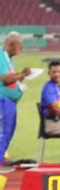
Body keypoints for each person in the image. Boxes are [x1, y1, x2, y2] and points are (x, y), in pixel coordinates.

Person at [0, 32, 31, 166]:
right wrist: (22, 74)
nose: (21, 49)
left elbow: (11, 79)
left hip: (9, 102)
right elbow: (5, 79)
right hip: (3, 100)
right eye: (20, 46)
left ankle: (1, 157)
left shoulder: (8, 58)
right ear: (11, 44)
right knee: (2, 131)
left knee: (8, 131)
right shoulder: (1, 57)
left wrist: (20, 78)